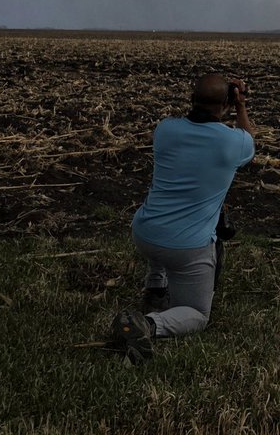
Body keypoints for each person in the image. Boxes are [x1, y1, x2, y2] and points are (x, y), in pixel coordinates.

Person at [107, 72, 258, 364]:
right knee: (198, 315)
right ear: (226, 103)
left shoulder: (165, 129)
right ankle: (147, 325)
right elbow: (249, 139)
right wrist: (241, 106)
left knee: (166, 222)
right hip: (186, 248)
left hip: (145, 232)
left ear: (191, 98)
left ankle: (156, 286)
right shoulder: (232, 143)